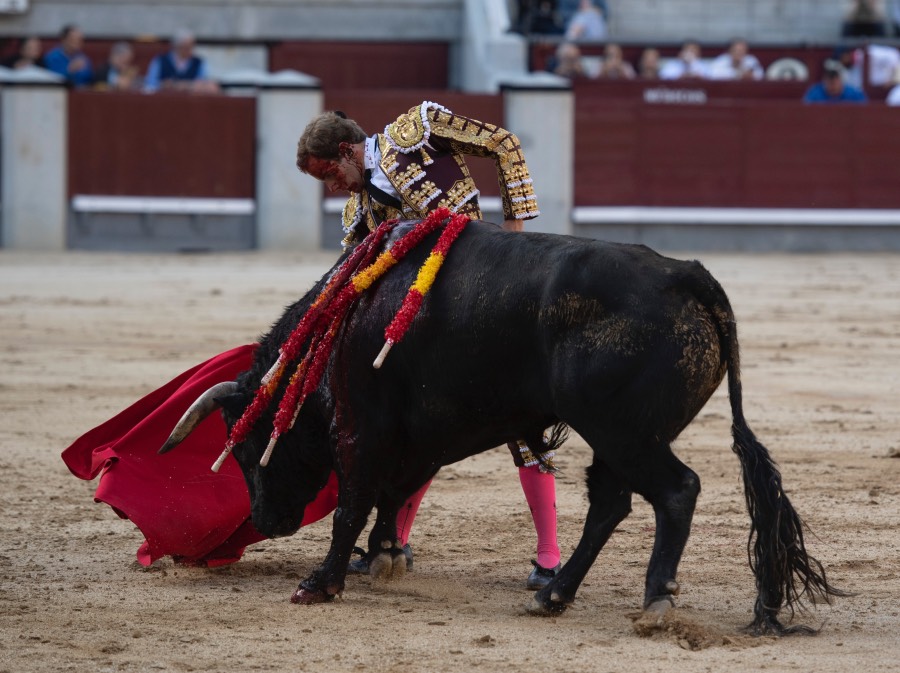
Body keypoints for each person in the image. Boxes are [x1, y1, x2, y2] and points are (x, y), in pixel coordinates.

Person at [295, 102, 561, 589]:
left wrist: (515, 243)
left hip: (485, 294)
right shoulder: (357, 213)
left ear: (347, 150)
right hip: (430, 330)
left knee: (525, 425)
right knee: (422, 431)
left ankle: (549, 558)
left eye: (329, 174)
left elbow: (504, 144)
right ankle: (395, 542)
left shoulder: (417, 129)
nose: (332, 188)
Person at [144, 28, 219, 94]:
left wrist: (184, 86)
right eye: (185, 47)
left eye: (191, 46)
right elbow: (150, 86)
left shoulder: (198, 63)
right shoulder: (160, 61)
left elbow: (206, 85)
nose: (189, 50)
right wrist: (163, 86)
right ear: (176, 46)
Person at [803, 59, 869, 103]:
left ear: (841, 79)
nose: (832, 82)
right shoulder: (815, 93)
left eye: (835, 78)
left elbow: (865, 108)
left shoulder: (853, 94)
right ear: (824, 79)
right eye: (829, 78)